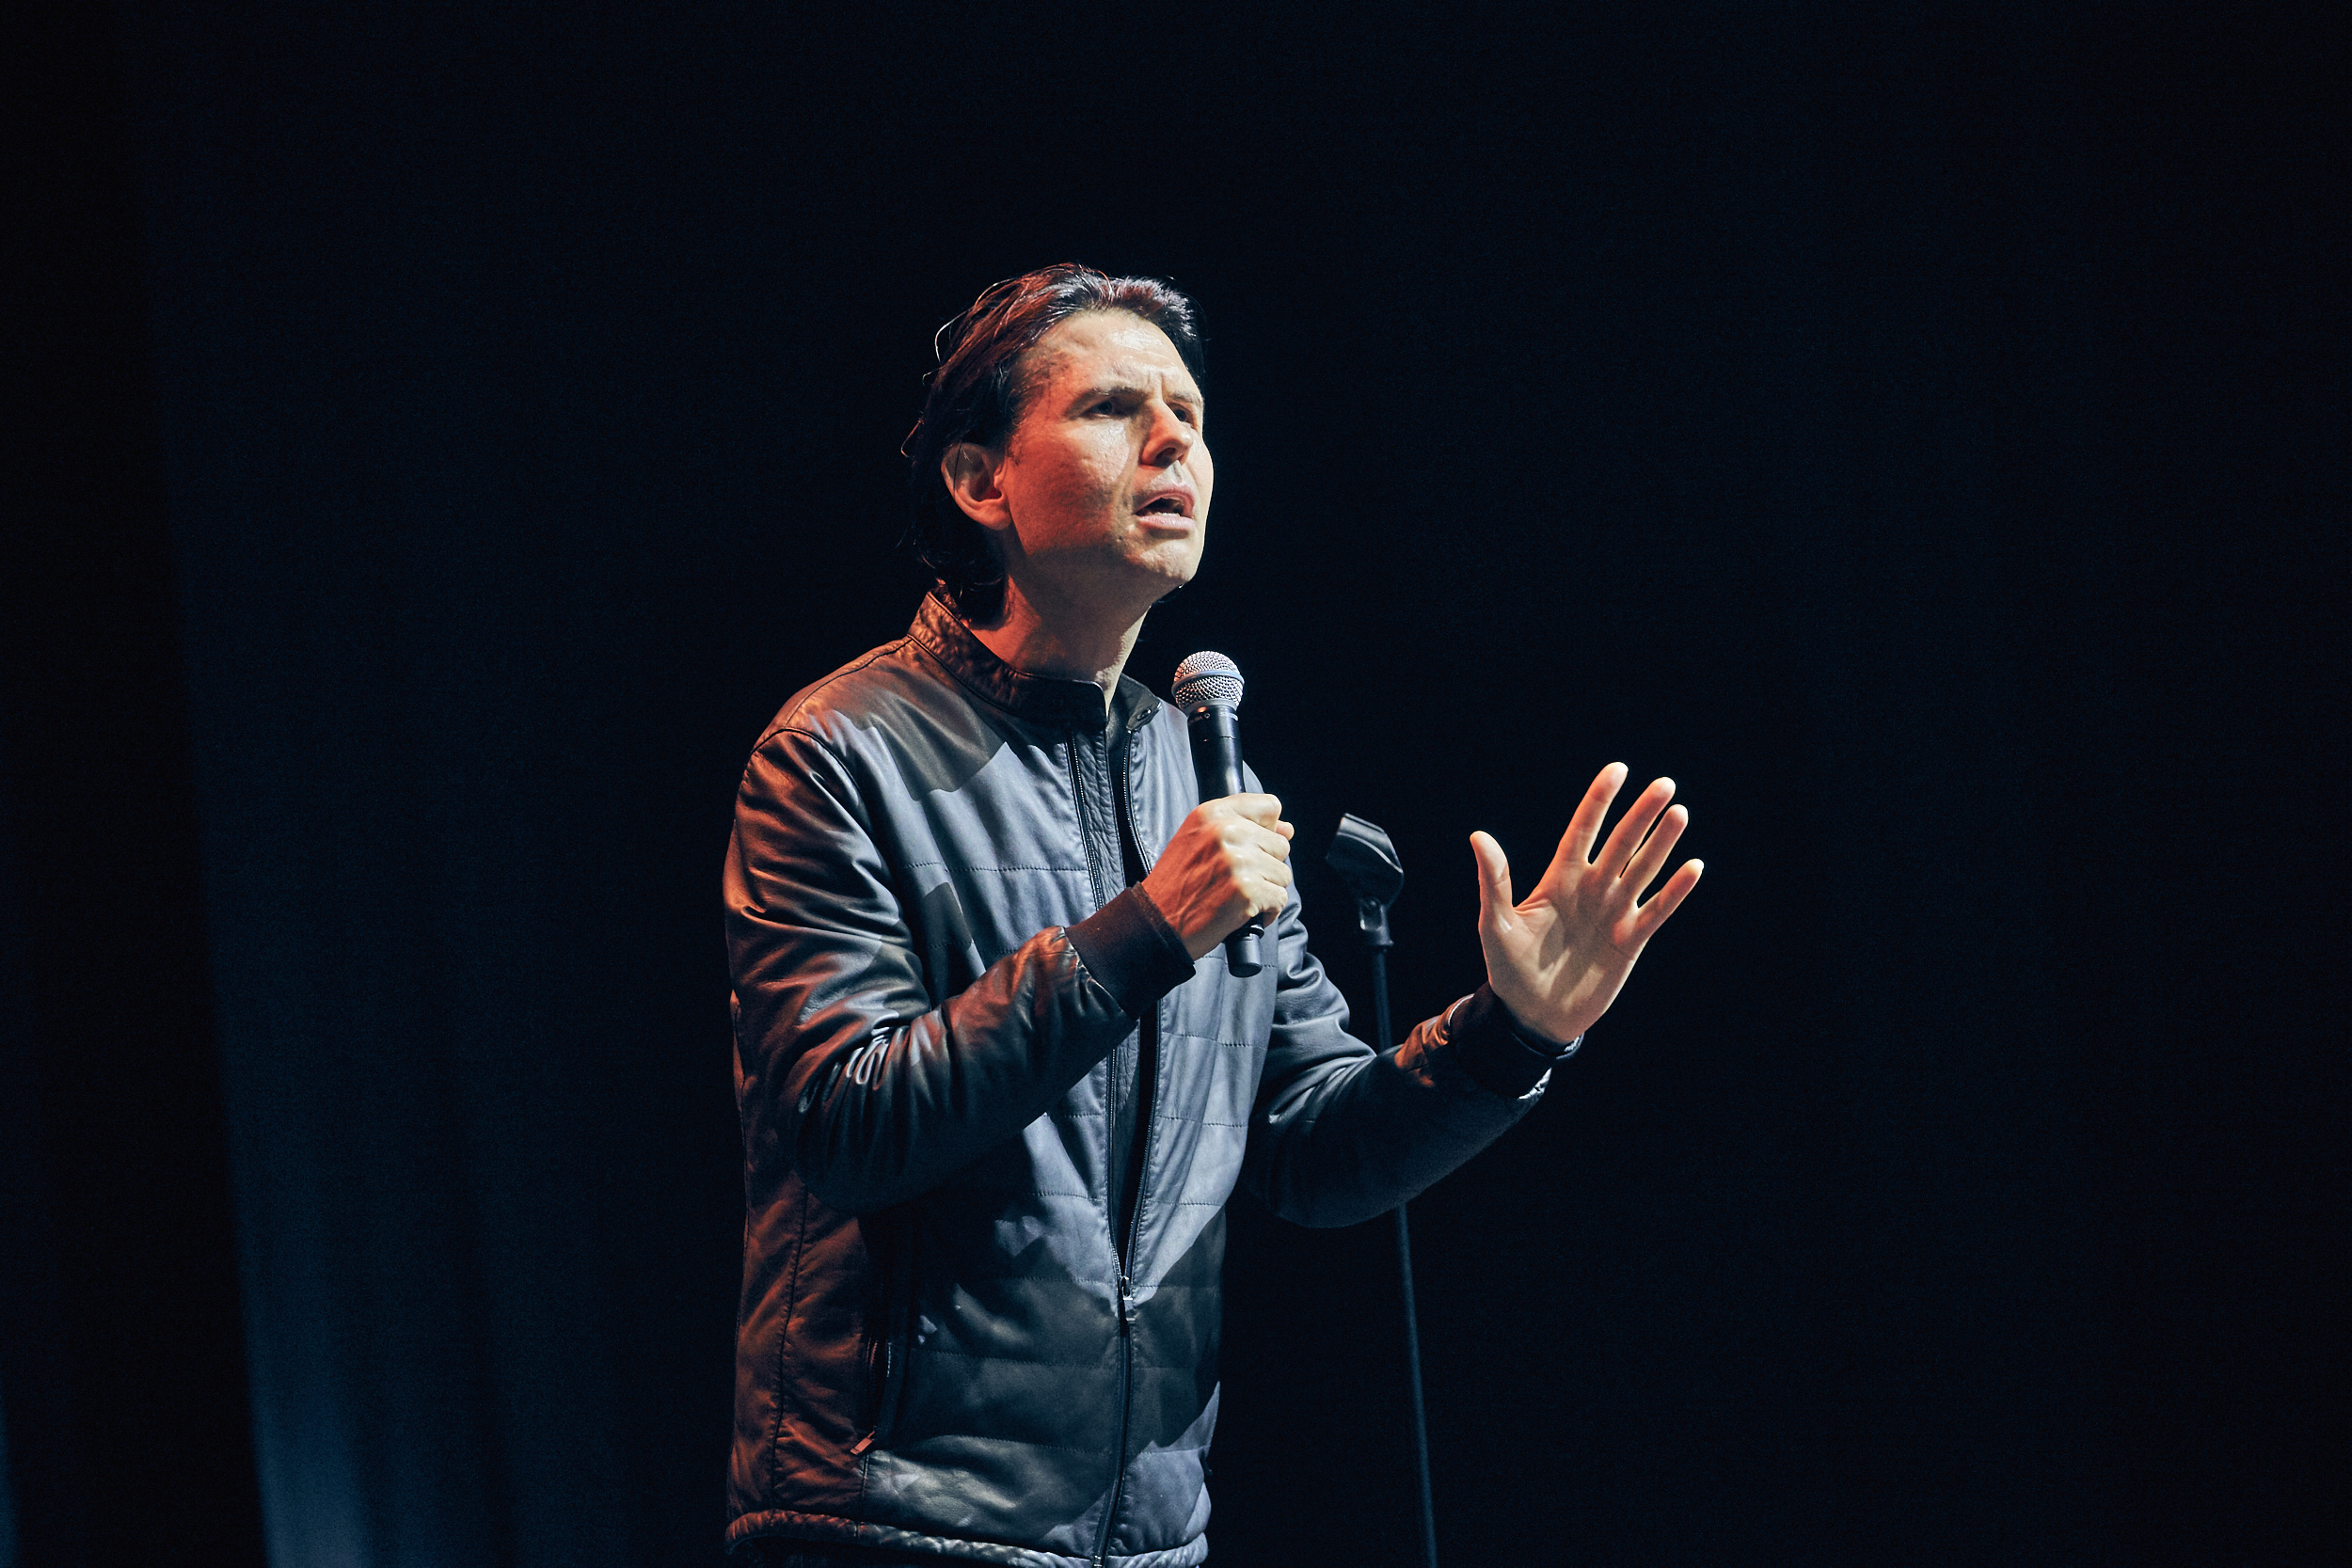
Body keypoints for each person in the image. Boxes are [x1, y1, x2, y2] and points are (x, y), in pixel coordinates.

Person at [723, 265, 1702, 1567]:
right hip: (895, 1523)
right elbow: (845, 1125)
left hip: (1147, 1538)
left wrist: (1510, 1036)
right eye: (1114, 409)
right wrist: (1142, 932)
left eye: (1189, 414)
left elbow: (1313, 1148)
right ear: (979, 480)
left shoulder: (1198, 779)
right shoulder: (838, 753)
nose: (1174, 441)